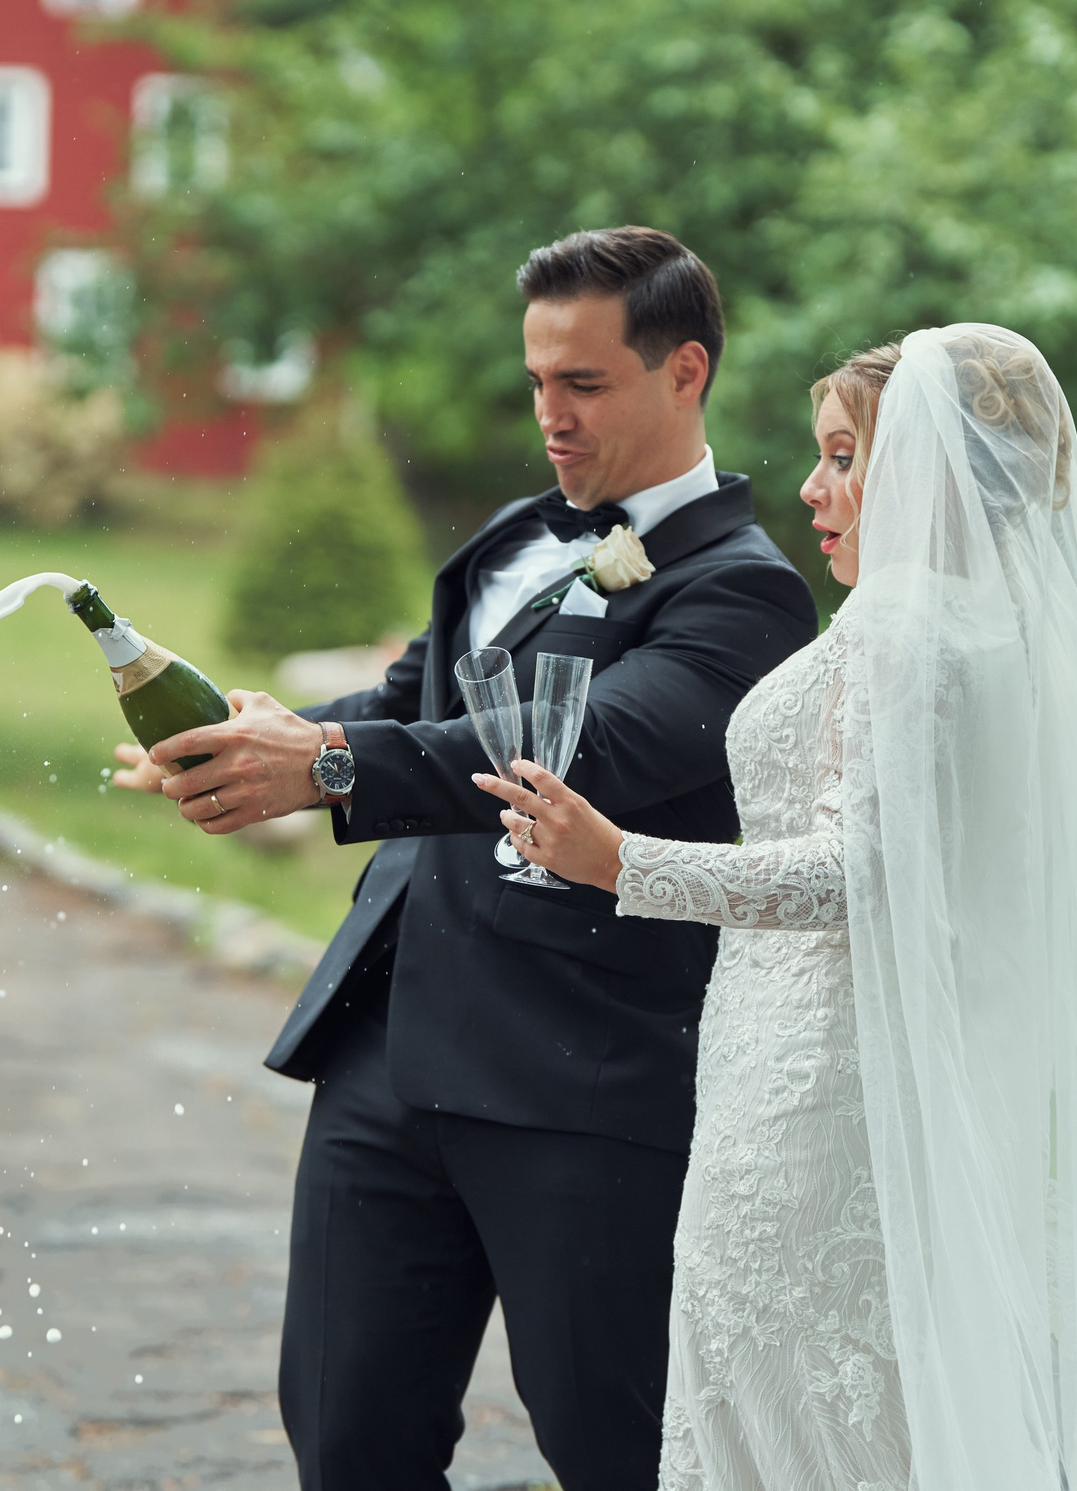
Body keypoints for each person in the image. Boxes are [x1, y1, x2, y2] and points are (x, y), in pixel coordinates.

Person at [480, 325, 1077, 1490]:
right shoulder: (1003, 636)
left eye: (842, 457)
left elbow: (853, 872)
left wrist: (623, 861)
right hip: (864, 1083)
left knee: (789, 1419)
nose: (810, 487)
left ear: (924, 472)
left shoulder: (901, 631)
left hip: (810, 1101)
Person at [112, 227, 817, 1490]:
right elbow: (406, 705)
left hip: (578, 1080)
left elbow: (593, 747)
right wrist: (257, 745)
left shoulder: (745, 593)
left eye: (583, 385)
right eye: (537, 382)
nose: (549, 415)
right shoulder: (510, 538)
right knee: (345, 1439)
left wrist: (328, 771)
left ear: (685, 372)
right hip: (383, 1052)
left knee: (614, 1448)